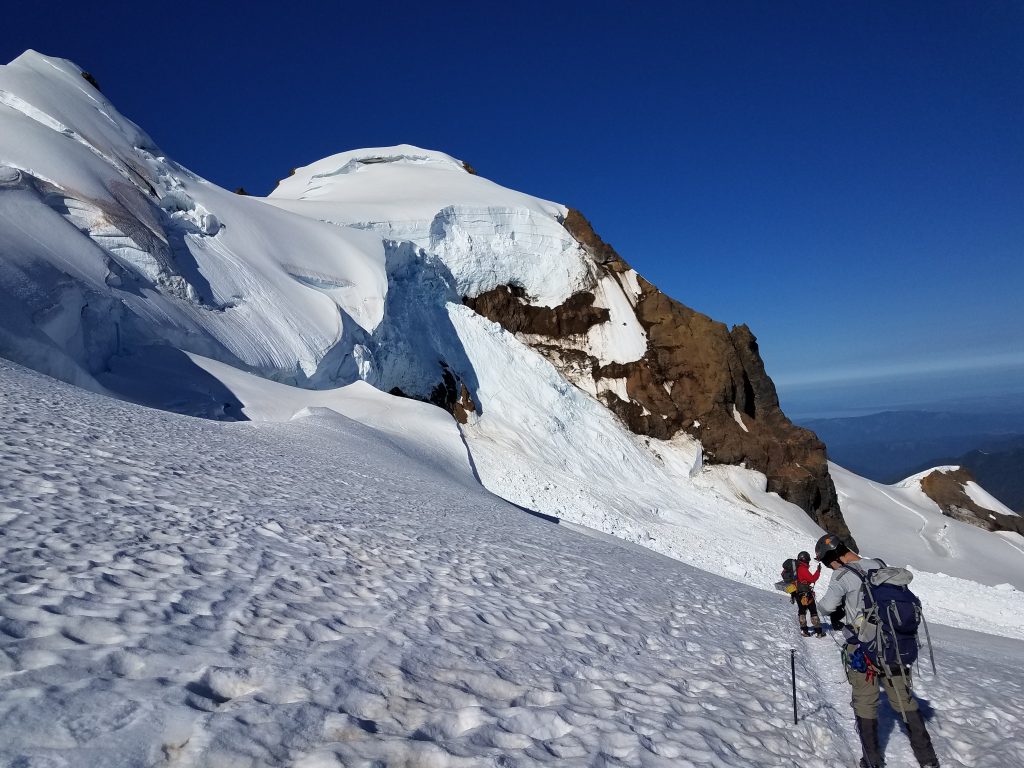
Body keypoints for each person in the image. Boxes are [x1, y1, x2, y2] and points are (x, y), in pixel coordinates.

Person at [815, 533, 939, 768]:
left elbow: (826, 607)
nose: (827, 565)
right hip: (894, 645)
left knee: (865, 701)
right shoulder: (879, 566)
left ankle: (872, 762)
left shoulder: (841, 575)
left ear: (833, 555)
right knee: (905, 700)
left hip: (863, 648)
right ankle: (929, 760)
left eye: (825, 561)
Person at [794, 551, 825, 637]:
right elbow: (812, 579)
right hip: (806, 593)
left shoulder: (796, 568)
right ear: (805, 560)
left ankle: (804, 631)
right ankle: (819, 632)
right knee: (813, 611)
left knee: (801, 611)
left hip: (798, 593)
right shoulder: (802, 569)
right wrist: (818, 571)